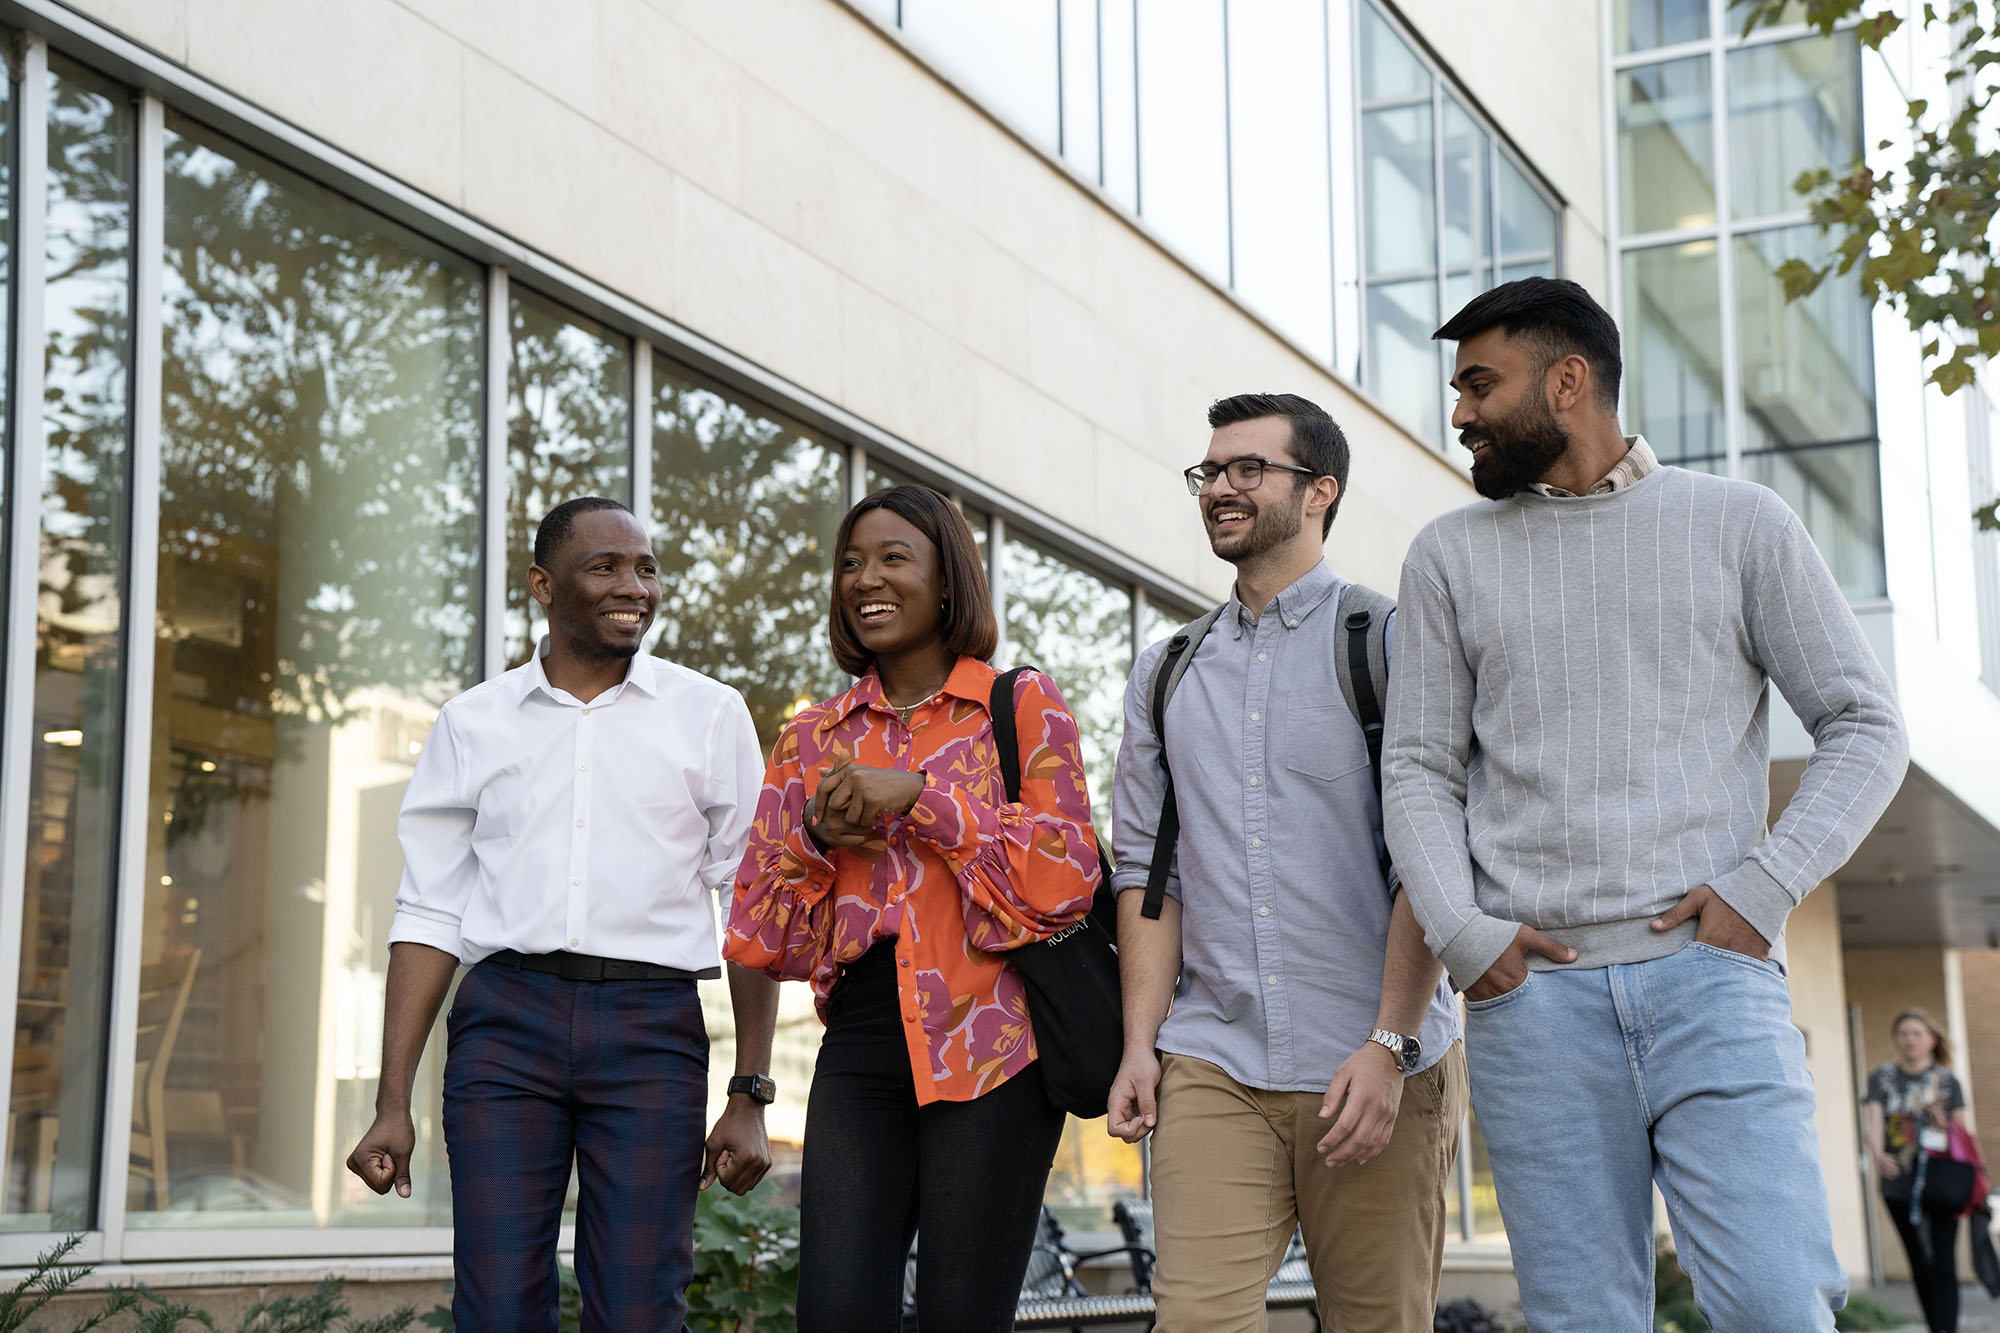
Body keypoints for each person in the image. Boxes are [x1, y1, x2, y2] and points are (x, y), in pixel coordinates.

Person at [1385, 277, 1910, 1331]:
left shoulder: (1740, 525)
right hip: (1532, 1004)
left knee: (1776, 1306)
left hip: (1713, 986)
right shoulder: (1447, 555)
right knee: (1582, 1318)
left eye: (1480, 384)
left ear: (1567, 381)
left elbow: (1866, 724)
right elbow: (1417, 770)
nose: (1460, 413)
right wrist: (1465, 935)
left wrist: (1764, 886)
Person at [346, 496, 781, 1331]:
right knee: (498, 1306)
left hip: (651, 1029)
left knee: (640, 1308)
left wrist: (750, 1090)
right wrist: (392, 1098)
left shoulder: (710, 714)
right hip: (505, 1027)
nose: (634, 586)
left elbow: (750, 904)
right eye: (605, 566)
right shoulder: (472, 723)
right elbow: (430, 912)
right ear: (543, 585)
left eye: (646, 568)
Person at [1107, 393, 1467, 1333]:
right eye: (1210, 471)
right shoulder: (1167, 670)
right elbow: (1147, 874)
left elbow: (1432, 858)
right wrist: (1140, 1042)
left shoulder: (1391, 642)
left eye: (1248, 469)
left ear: (1320, 490)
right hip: (1214, 1061)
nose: (1219, 487)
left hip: (1375, 1059)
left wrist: (1391, 1043)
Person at [724, 484, 1102, 1333]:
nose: (866, 579)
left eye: (894, 558)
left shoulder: (1019, 704)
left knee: (961, 1317)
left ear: (947, 578)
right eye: (851, 563)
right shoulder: (811, 738)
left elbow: (1066, 875)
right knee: (835, 1315)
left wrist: (919, 795)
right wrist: (816, 839)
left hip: (994, 1034)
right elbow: (760, 931)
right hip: (861, 1038)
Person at [1867, 1009, 1974, 1333]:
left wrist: (1941, 1122)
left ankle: (1947, 1329)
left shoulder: (1947, 1081)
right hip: (1897, 1181)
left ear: (1932, 1040)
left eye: (1917, 1033)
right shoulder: (1882, 1077)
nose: (1909, 1040)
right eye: (1903, 1033)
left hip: (1941, 1183)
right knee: (1919, 1261)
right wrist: (1878, 1155)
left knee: (1943, 1261)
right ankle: (1935, 1326)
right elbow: (1873, 1122)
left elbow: (1962, 1133)